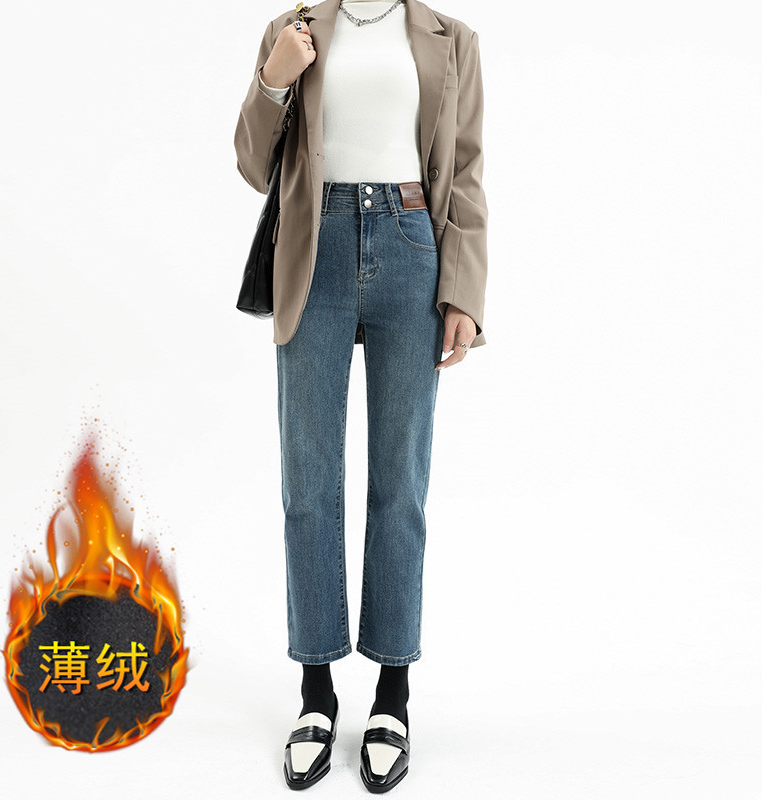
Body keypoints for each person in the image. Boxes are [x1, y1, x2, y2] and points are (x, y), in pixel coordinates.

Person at [234, 0, 488, 792]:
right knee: (309, 483)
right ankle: (316, 694)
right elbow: (252, 163)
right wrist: (275, 80)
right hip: (313, 248)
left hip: (412, 244)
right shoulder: (294, 28)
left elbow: (466, 169)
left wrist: (465, 291)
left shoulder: (454, 39)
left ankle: (391, 695)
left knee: (400, 485)